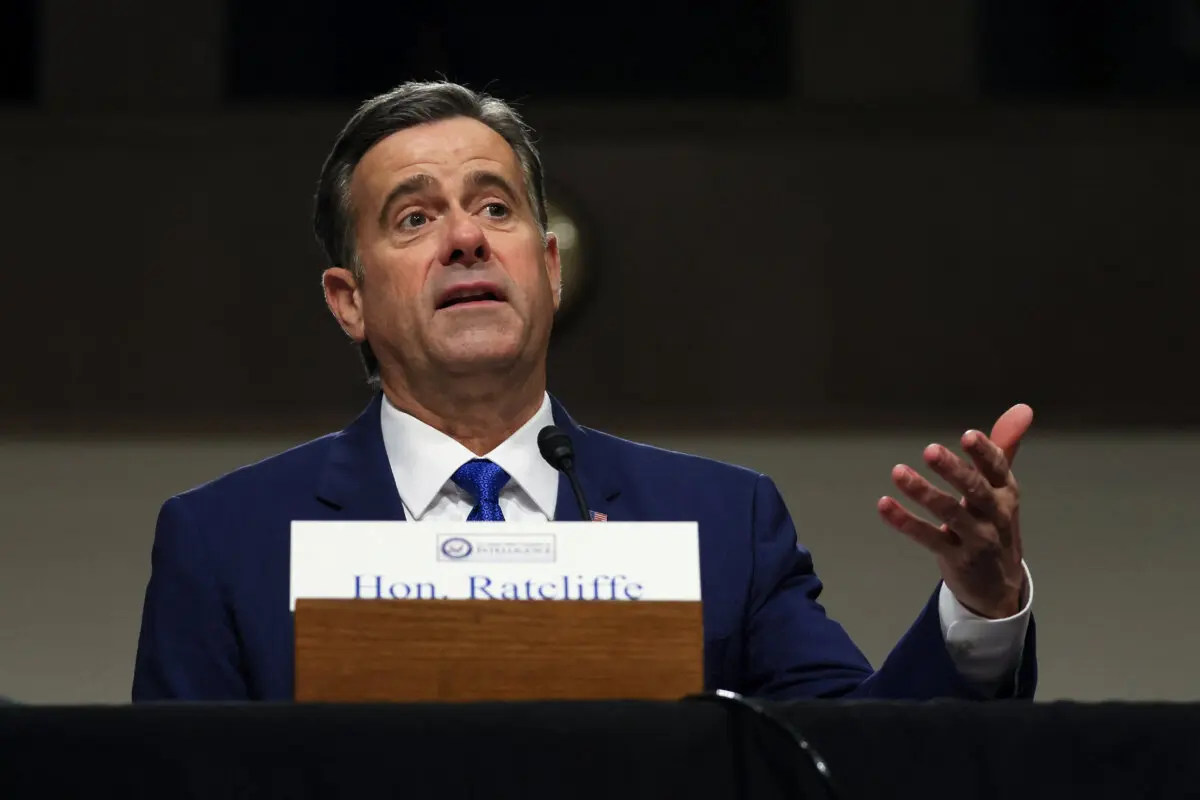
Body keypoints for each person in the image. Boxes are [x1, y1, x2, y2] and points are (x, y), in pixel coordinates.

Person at [132, 81, 1036, 702]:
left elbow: (854, 764)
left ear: (550, 268)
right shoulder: (224, 546)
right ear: (349, 301)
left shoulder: (723, 525)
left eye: (495, 207)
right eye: (414, 217)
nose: (466, 238)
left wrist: (981, 610)